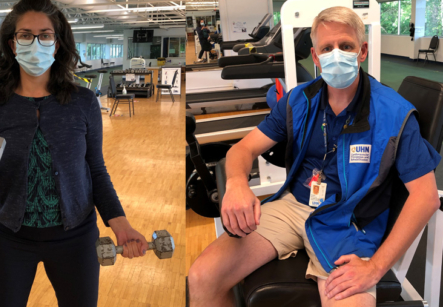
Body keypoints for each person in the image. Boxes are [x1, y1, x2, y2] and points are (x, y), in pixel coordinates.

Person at [188, 6, 441, 307]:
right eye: (327, 48)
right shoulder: (298, 101)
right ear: (316, 57)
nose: (337, 54)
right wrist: (237, 183)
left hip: (348, 222)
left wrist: (376, 267)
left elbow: (425, 197)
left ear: (362, 51)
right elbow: (242, 149)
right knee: (203, 276)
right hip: (293, 206)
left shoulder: (395, 114)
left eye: (346, 46)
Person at [0, 0, 148, 306]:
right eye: (25, 35)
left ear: (57, 44)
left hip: (75, 239)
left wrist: (119, 223)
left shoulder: (83, 102)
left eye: (45, 35)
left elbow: (95, 169)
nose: (35, 43)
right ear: (12, 44)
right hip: (7, 239)